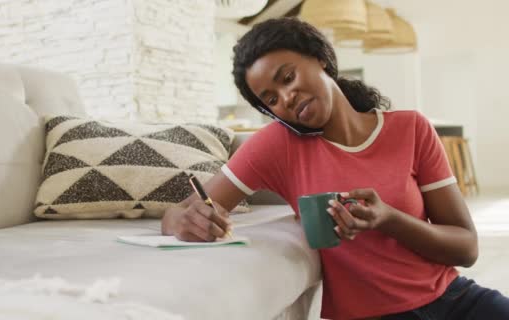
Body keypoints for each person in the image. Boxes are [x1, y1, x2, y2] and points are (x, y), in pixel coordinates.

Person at [161, 18, 509, 319]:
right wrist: (180, 221)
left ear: (320, 60)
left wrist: (389, 219)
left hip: (456, 300)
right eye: (270, 99)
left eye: (287, 77)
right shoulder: (276, 146)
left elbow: (466, 248)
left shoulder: (412, 129)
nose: (286, 98)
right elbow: (186, 210)